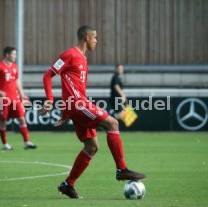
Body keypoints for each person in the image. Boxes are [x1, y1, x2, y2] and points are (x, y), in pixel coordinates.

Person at [39, 26, 145, 199]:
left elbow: (72, 86)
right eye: (94, 37)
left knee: (92, 147)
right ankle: (121, 169)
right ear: (86, 37)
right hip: (78, 104)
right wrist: (50, 100)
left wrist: (66, 113)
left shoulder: (83, 59)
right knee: (113, 122)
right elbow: (47, 75)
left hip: (76, 105)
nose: (96, 41)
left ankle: (68, 184)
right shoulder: (69, 54)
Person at [0, 46, 37, 150]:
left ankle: (27, 142)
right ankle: (5, 144)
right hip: (3, 99)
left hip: (15, 98)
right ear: (7, 55)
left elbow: (16, 81)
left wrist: (21, 94)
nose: (15, 56)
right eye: (13, 54)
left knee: (21, 118)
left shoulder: (15, 67)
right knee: (3, 121)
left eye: (15, 54)